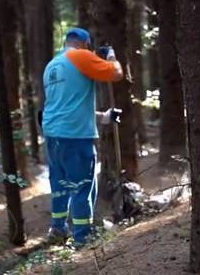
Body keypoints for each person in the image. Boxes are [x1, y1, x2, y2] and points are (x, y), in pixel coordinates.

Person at [42, 27, 123, 247]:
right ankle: (83, 238)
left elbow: (67, 107)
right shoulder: (80, 56)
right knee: (83, 186)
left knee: (59, 184)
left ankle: (58, 229)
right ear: (85, 43)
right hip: (76, 137)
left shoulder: (52, 66)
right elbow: (116, 73)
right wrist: (111, 55)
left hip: (53, 136)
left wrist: (104, 118)